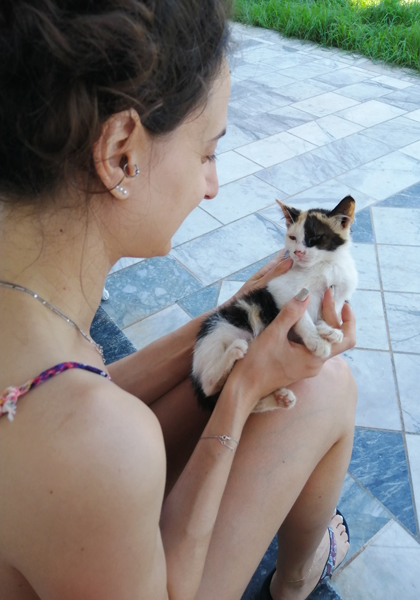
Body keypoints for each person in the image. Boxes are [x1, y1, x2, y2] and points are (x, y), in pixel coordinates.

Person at [0, 2, 357, 599]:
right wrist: (240, 394)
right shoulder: (100, 447)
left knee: (295, 368)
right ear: (121, 153)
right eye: (208, 152)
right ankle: (297, 580)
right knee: (328, 388)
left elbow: (76, 384)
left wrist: (232, 312)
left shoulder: (35, 309)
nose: (213, 186)